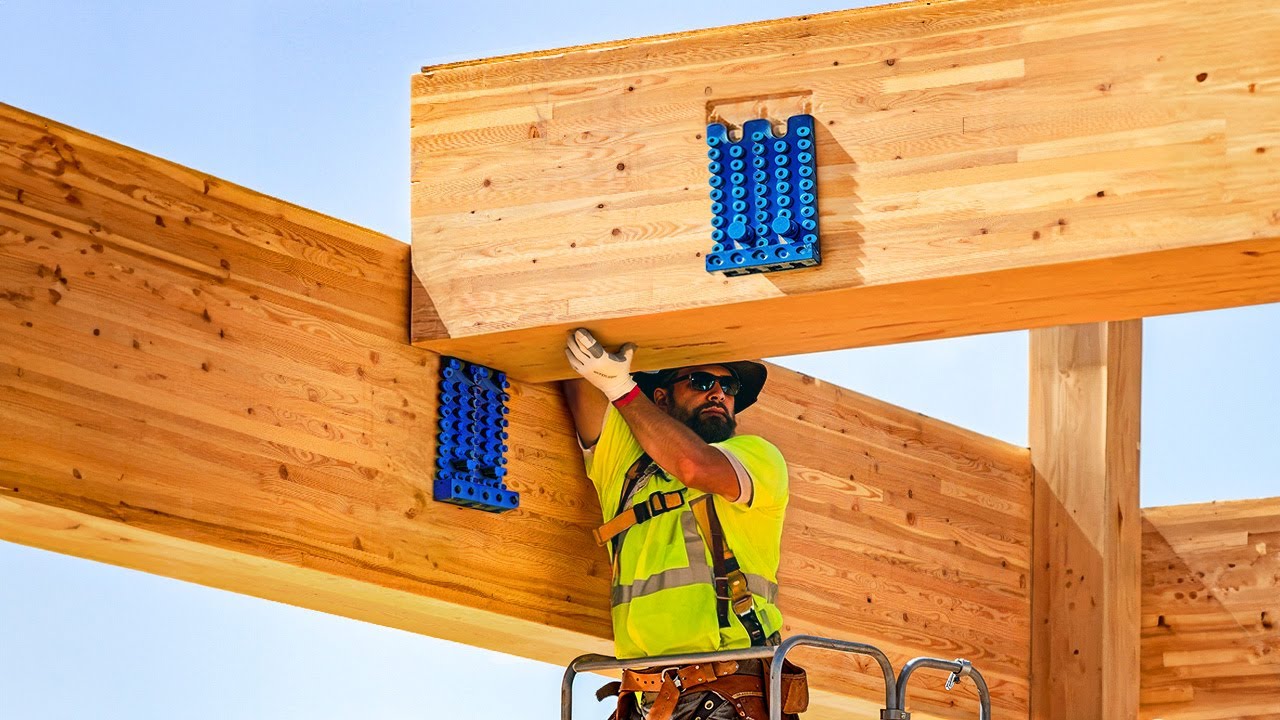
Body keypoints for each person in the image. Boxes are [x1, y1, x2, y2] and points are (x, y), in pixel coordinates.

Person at [562, 328, 804, 720]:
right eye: (702, 381)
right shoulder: (628, 469)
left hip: (728, 696)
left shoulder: (757, 457)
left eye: (729, 386)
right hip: (649, 700)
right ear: (660, 397)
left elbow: (694, 467)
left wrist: (621, 387)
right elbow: (579, 381)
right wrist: (603, 370)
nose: (718, 394)